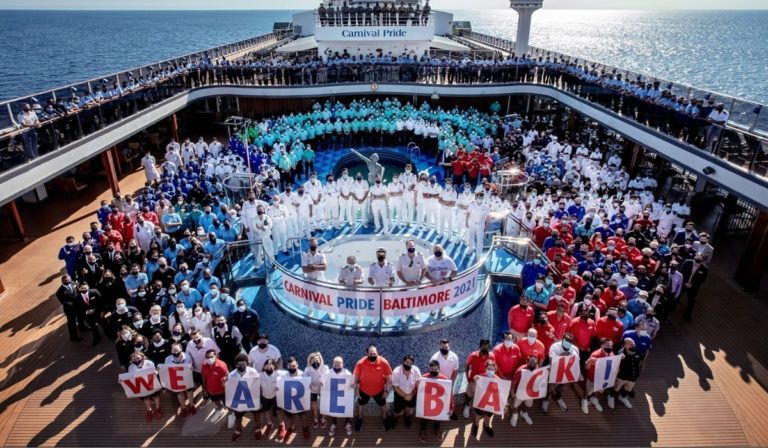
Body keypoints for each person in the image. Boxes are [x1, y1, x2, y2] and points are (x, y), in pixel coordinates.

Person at [353, 344, 393, 432]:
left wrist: (387, 390)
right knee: (360, 404)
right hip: (364, 390)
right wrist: (356, 389)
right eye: (370, 354)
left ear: (377, 353)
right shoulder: (360, 363)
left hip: (379, 390)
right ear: (367, 353)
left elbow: (389, 377)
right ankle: (359, 417)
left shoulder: (384, 362)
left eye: (374, 354)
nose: (372, 356)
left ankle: (384, 417)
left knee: (383, 404)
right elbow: (355, 377)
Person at [544, 332, 579, 413]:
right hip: (555, 372)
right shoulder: (554, 346)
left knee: (561, 389)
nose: (568, 342)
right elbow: (552, 360)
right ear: (562, 339)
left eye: (570, 341)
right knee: (550, 389)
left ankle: (558, 398)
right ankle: (545, 400)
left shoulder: (575, 349)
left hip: (566, 374)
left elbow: (576, 362)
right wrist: (563, 356)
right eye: (566, 340)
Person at [229, 353, 261, 442]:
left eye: (244, 364)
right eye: (239, 365)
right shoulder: (231, 375)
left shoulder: (253, 371)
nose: (242, 366)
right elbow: (230, 389)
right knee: (238, 416)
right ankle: (238, 428)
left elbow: (257, 384)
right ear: (236, 365)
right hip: (239, 398)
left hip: (251, 397)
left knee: (256, 413)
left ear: (247, 363)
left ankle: (257, 427)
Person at [278, 356, 311, 441]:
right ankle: (291, 427)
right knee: (290, 416)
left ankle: (305, 427)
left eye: (294, 366)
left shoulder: (303, 374)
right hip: (289, 399)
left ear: (297, 365)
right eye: (290, 366)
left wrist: (309, 385)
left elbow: (307, 386)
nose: (292, 368)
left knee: (303, 415)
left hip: (300, 400)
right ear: (287, 366)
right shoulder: (284, 375)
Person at [126, 351, 163, 422]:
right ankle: (149, 410)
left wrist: (155, 372)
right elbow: (130, 377)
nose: (136, 360)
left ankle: (158, 409)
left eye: (138, 358)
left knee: (155, 396)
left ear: (142, 357)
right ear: (131, 360)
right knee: (146, 399)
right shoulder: (131, 367)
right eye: (134, 359)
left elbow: (155, 370)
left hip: (151, 382)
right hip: (141, 385)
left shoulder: (149, 363)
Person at [463, 338, 494, 420]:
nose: (485, 349)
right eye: (483, 347)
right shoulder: (473, 355)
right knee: (470, 393)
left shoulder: (492, 356)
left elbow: (494, 368)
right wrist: (468, 378)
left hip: (485, 380)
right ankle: (467, 406)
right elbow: (466, 365)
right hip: (474, 379)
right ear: (480, 346)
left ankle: (480, 407)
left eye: (487, 347)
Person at [396, 240, 427, 322]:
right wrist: (406, 282)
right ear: (406, 247)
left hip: (415, 282)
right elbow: (398, 272)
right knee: (403, 299)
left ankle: (414, 313)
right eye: (409, 246)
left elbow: (424, 268)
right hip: (404, 282)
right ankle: (403, 314)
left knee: (414, 299)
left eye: (412, 246)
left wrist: (420, 280)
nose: (411, 247)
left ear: (415, 246)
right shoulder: (401, 257)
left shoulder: (420, 256)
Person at [419, 360, 449, 443]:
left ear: (439, 369)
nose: (434, 371)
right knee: (423, 417)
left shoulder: (444, 379)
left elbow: (449, 393)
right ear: (429, 369)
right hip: (427, 402)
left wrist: (451, 406)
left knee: (438, 416)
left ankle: (436, 429)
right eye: (432, 369)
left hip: (438, 402)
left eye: (436, 369)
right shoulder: (423, 378)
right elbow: (418, 391)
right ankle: (423, 430)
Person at [323, 356, 355, 437]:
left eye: (339, 365)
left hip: (343, 395)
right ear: (332, 364)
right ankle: (334, 423)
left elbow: (352, 383)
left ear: (342, 365)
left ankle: (347, 422)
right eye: (335, 365)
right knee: (333, 408)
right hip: (334, 395)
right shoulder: (329, 372)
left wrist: (352, 385)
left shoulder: (346, 372)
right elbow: (323, 383)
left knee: (347, 406)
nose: (337, 367)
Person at [429, 338, 460, 419]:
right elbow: (431, 372)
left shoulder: (454, 357)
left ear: (449, 347)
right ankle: (438, 412)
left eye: (446, 347)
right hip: (437, 382)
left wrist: (452, 382)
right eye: (442, 347)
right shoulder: (434, 358)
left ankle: (451, 412)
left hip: (449, 382)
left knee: (449, 399)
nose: (444, 349)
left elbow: (456, 370)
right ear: (439, 347)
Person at [164, 342, 196, 419]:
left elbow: (191, 367)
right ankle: (184, 408)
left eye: (177, 350)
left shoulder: (187, 356)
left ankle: (192, 405)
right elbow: (166, 370)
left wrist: (191, 368)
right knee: (179, 393)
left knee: (189, 391)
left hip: (187, 377)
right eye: (173, 351)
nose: (176, 352)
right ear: (171, 351)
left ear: (181, 349)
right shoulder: (167, 359)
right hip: (176, 379)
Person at [425, 244, 458, 317]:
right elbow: (424, 272)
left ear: (442, 250)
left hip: (444, 283)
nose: (437, 251)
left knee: (443, 297)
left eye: (439, 250)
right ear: (433, 251)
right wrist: (431, 279)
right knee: (432, 298)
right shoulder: (429, 260)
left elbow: (455, 271)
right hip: (433, 284)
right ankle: (433, 309)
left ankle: (441, 309)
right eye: (436, 250)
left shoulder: (448, 260)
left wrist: (449, 278)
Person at [583, 337, 614, 414]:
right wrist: (589, 360)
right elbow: (586, 367)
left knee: (598, 391)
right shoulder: (595, 354)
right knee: (588, 392)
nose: (609, 347)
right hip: (592, 378)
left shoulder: (611, 353)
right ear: (602, 345)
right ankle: (584, 401)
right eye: (607, 345)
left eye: (611, 346)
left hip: (603, 379)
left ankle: (595, 400)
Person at [389, 354, 421, 429]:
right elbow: (395, 387)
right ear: (403, 362)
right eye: (407, 362)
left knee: (409, 410)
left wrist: (411, 395)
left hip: (412, 394)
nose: (408, 364)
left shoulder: (416, 370)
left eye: (410, 363)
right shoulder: (396, 371)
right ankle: (394, 418)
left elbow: (418, 384)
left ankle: (406, 417)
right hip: (399, 395)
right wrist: (405, 396)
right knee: (397, 411)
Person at [510, 354, 541, 427]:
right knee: (515, 405)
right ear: (527, 362)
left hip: (530, 392)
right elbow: (514, 382)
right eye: (531, 362)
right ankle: (515, 415)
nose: (533, 364)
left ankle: (524, 413)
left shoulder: (538, 369)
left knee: (528, 405)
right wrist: (512, 391)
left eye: (534, 363)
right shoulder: (520, 370)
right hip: (519, 391)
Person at [611, 337, 642, 409]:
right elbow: (617, 366)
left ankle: (623, 397)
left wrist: (637, 373)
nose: (633, 346)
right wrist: (615, 377)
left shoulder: (637, 351)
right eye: (631, 345)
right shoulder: (620, 354)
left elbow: (639, 361)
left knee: (628, 389)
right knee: (616, 388)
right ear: (625, 345)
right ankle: (611, 397)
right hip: (622, 376)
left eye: (634, 344)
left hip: (633, 376)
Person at [471, 358, 499, 438]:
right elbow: (473, 389)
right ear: (485, 369)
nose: (490, 370)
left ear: (495, 369)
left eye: (492, 369)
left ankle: (486, 426)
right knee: (478, 414)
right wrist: (475, 381)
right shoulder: (479, 377)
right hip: (481, 400)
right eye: (488, 369)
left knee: (488, 416)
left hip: (490, 402)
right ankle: (476, 425)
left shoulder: (498, 380)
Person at [302, 238, 327, 317]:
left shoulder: (321, 255)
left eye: (315, 245)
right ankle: (311, 310)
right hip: (310, 280)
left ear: (317, 245)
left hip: (320, 279)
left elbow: (324, 268)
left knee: (325, 296)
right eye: (312, 245)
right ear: (309, 245)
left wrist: (312, 266)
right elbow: (305, 270)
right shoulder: (305, 256)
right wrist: (318, 266)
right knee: (310, 297)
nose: (313, 246)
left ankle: (329, 311)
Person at [679, 253, 709, 322]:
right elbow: (681, 271)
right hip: (683, 284)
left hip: (693, 287)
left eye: (700, 257)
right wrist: (685, 282)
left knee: (691, 302)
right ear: (695, 256)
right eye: (697, 256)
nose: (698, 258)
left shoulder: (705, 269)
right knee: (677, 296)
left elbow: (702, 280)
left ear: (702, 259)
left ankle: (687, 315)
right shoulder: (687, 262)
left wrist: (692, 284)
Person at [305, 352, 329, 430]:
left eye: (317, 361)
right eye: (313, 361)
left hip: (322, 389)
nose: (315, 363)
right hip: (313, 389)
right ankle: (315, 417)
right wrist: (307, 383)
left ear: (320, 360)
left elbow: (328, 376)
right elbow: (304, 378)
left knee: (324, 403)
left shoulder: (325, 367)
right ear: (310, 361)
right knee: (313, 403)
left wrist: (324, 381)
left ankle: (323, 417)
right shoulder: (307, 369)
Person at [201, 349, 229, 416]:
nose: (209, 359)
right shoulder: (204, 365)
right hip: (211, 391)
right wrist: (204, 389)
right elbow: (204, 377)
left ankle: (231, 413)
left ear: (215, 356)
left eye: (211, 356)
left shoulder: (222, 365)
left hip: (222, 391)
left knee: (227, 404)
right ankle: (220, 408)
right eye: (207, 357)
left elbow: (228, 377)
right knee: (216, 401)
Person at [56, 275, 83, 341]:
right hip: (70, 309)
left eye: (69, 280)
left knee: (80, 317)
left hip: (78, 306)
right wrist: (72, 304)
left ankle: (82, 328)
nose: (68, 281)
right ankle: (73, 337)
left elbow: (78, 291)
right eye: (65, 281)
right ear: (62, 281)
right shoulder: (59, 292)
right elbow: (64, 302)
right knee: (72, 323)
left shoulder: (74, 284)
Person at [76, 281, 103, 345]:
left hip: (98, 312)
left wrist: (96, 310)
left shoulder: (94, 292)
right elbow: (78, 309)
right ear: (79, 288)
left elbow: (101, 301)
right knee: (93, 327)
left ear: (88, 287)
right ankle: (97, 337)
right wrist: (86, 312)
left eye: (85, 288)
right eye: (82, 288)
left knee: (103, 323)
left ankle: (108, 333)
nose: (84, 289)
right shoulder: (77, 298)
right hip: (88, 315)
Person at [466, 191, 491, 259]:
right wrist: (466, 222)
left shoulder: (486, 206)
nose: (480, 198)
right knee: (471, 237)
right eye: (478, 197)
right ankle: (471, 249)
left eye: (481, 197)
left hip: (480, 225)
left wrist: (486, 227)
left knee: (480, 240)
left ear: (483, 198)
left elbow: (488, 218)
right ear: (476, 197)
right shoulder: (472, 204)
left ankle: (478, 254)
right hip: (472, 223)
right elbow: (468, 213)